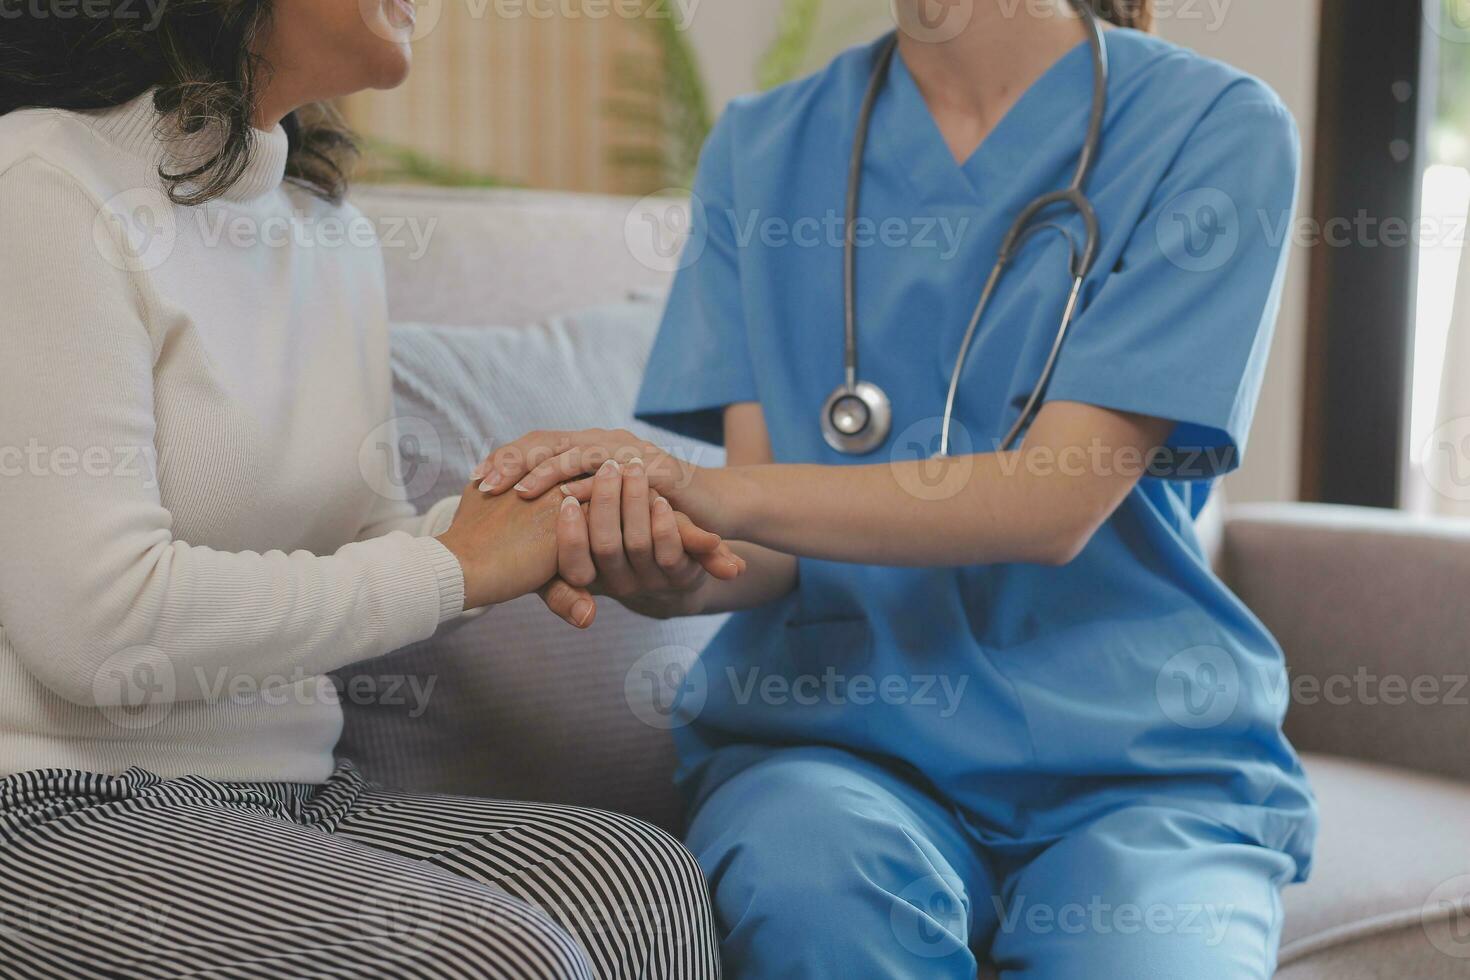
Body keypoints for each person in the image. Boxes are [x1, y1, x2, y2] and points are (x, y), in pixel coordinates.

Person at [477, 0, 1318, 976]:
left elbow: (1054, 501)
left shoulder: (1210, 126)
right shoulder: (765, 147)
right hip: (840, 747)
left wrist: (709, 493)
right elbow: (760, 546)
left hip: (1139, 767)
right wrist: (651, 557)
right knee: (811, 895)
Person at [0, 1, 734, 976]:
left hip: (290, 788)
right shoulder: (42, 183)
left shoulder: (327, 232)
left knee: (640, 879)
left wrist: (550, 524)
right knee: (492, 956)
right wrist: (457, 562)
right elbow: (95, 628)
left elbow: (376, 548)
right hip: (49, 806)